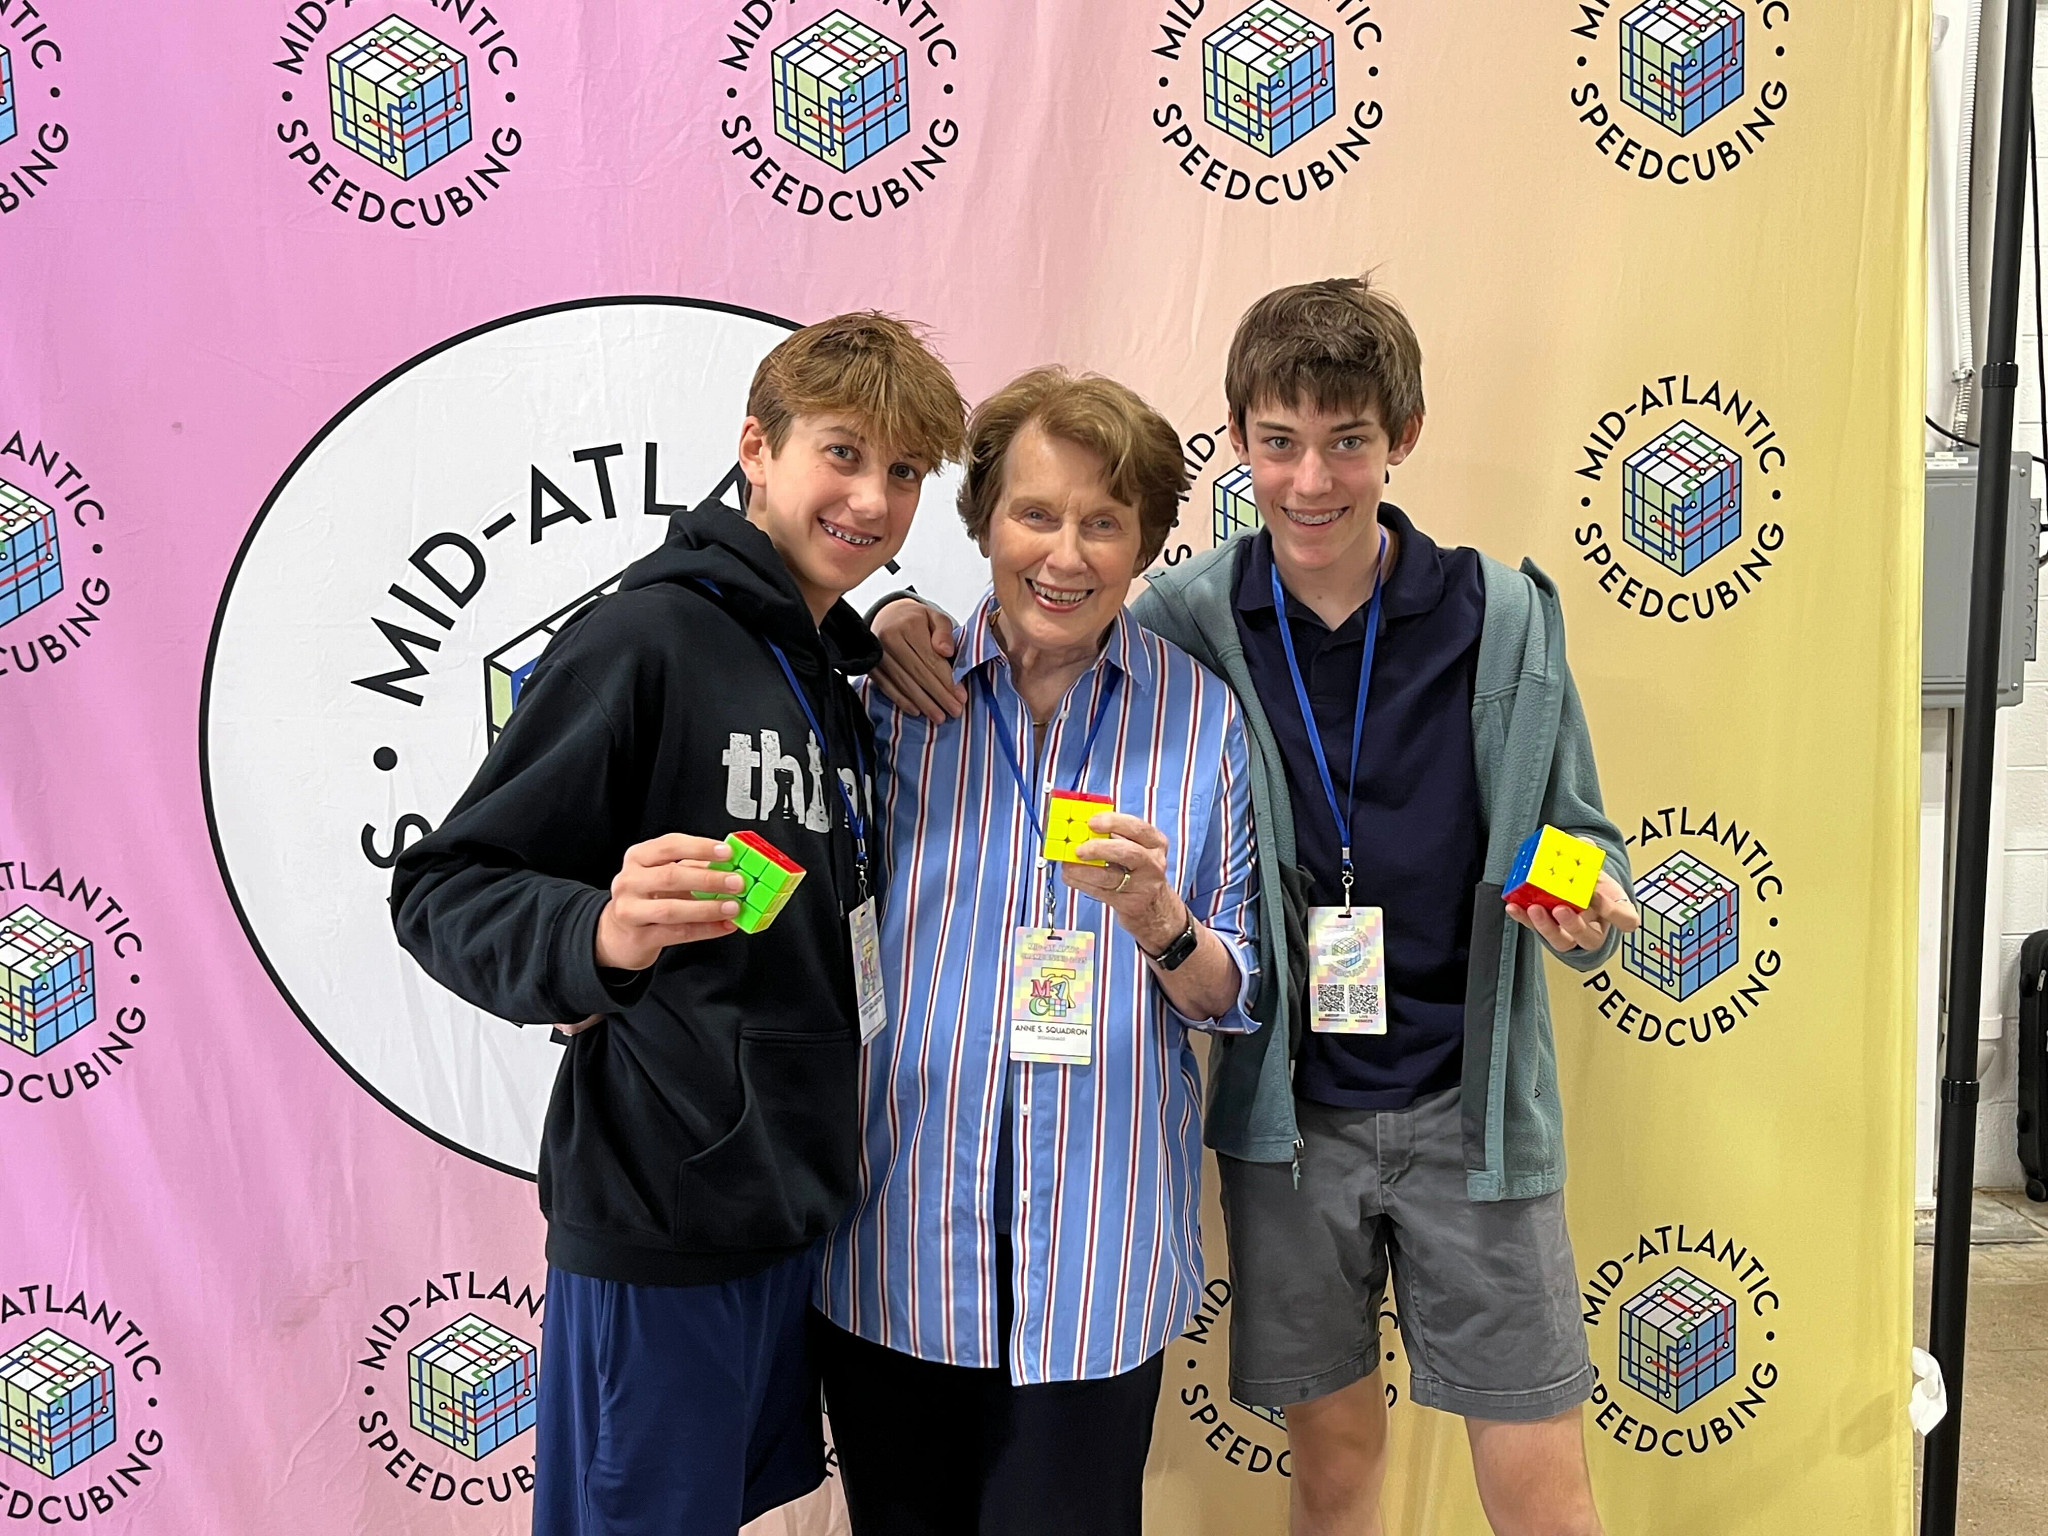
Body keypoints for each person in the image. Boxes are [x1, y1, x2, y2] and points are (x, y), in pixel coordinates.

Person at [869, 280, 1640, 1536]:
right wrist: (892, 618)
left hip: (1471, 1103)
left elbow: (1573, 826)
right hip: (1290, 1123)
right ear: (1237, 441)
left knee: (1540, 1478)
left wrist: (1581, 888)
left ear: (1404, 435)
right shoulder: (1186, 618)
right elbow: (1035, 615)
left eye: (1347, 441)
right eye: (1278, 442)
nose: (1310, 479)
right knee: (1331, 1458)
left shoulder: (1495, 616)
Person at [390, 312, 967, 1536]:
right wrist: (600, 928)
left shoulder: (828, 668)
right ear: (755, 449)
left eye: (905, 471)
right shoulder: (645, 636)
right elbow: (443, 889)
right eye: (842, 452)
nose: (871, 496)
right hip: (660, 1211)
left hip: (790, 1212)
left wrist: (885, 631)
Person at [817, 367, 1262, 1536]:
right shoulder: (886, 697)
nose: (1064, 556)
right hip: (897, 1243)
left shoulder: (1202, 719)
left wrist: (1163, 925)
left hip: (1095, 1265)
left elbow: (1234, 993)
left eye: (1102, 523)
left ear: (1145, 544)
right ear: (981, 524)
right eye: (1035, 514)